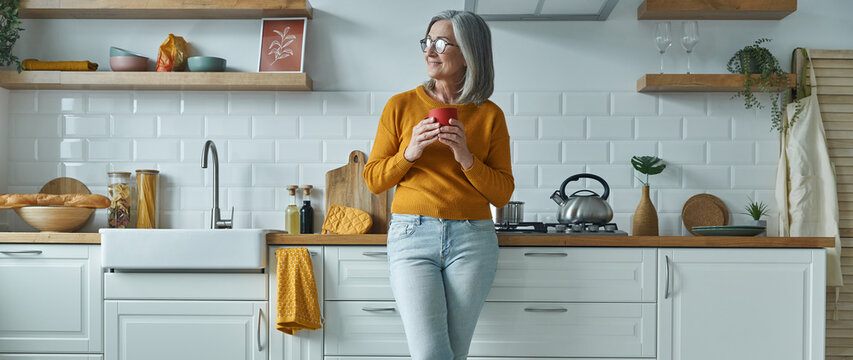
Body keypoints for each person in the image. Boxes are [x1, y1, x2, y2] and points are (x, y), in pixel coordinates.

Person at [363, 9, 514, 360]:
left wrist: (465, 156)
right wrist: (410, 152)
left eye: (442, 43)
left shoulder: (489, 115)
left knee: (453, 354)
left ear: (468, 54)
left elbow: (502, 192)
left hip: (473, 240)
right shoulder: (400, 106)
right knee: (431, 353)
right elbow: (373, 179)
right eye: (428, 42)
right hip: (411, 236)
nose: (430, 51)